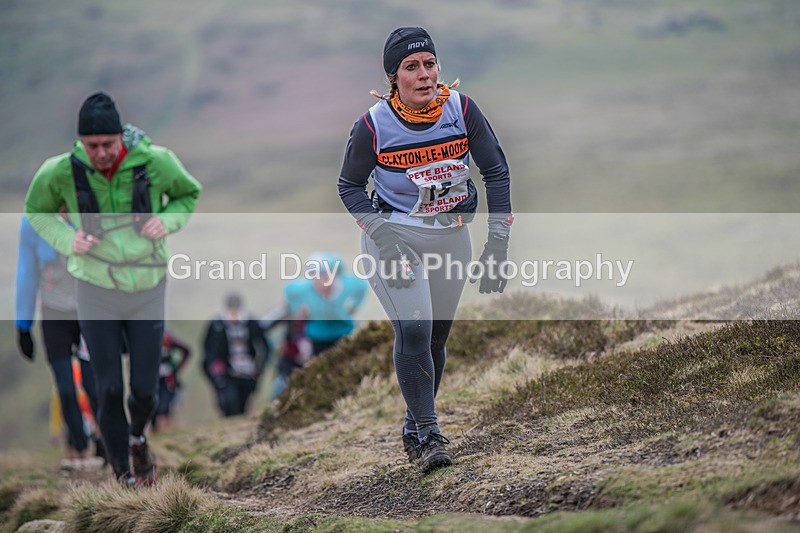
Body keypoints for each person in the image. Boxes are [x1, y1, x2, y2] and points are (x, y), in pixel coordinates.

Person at [338, 27, 513, 474]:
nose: (424, 74)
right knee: (414, 329)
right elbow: (349, 186)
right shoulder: (374, 124)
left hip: (450, 236)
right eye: (411, 67)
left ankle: (414, 425)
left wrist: (497, 244)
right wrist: (384, 238)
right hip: (393, 239)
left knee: (436, 337)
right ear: (393, 78)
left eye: (430, 64)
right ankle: (430, 436)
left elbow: (495, 170)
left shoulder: (462, 109)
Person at [24, 92, 202, 486]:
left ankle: (138, 438)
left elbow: (188, 194)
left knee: (145, 389)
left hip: (147, 284)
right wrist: (67, 239)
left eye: (108, 144)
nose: (101, 153)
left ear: (121, 136)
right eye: (92, 146)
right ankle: (123, 475)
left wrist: (166, 221)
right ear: (80, 142)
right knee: (106, 388)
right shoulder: (59, 171)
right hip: (95, 286)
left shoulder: (155, 161)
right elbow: (37, 211)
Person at [15, 213, 103, 463]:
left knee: (94, 385)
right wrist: (23, 324)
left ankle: (104, 438)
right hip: (54, 315)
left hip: (87, 313)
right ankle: (78, 445)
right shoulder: (34, 220)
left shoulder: (88, 212)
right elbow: (27, 271)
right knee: (65, 387)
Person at [284, 253, 368, 355]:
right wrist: (298, 310)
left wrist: (353, 307)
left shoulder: (345, 285)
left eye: (325, 274)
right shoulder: (306, 289)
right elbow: (289, 290)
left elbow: (362, 286)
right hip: (318, 335)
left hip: (344, 332)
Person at [202, 293, 270, 417]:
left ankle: (239, 422)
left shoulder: (251, 323)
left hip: (248, 370)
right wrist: (214, 366)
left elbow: (264, 346)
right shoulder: (217, 324)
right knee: (228, 401)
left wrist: (259, 366)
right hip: (225, 370)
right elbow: (207, 347)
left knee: (243, 402)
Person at [150, 329, 192, 433]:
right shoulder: (144, 338)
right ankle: (156, 432)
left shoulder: (166, 337)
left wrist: (176, 369)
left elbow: (186, 350)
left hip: (167, 380)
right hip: (151, 379)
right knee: (152, 408)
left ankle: (168, 432)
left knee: (164, 407)